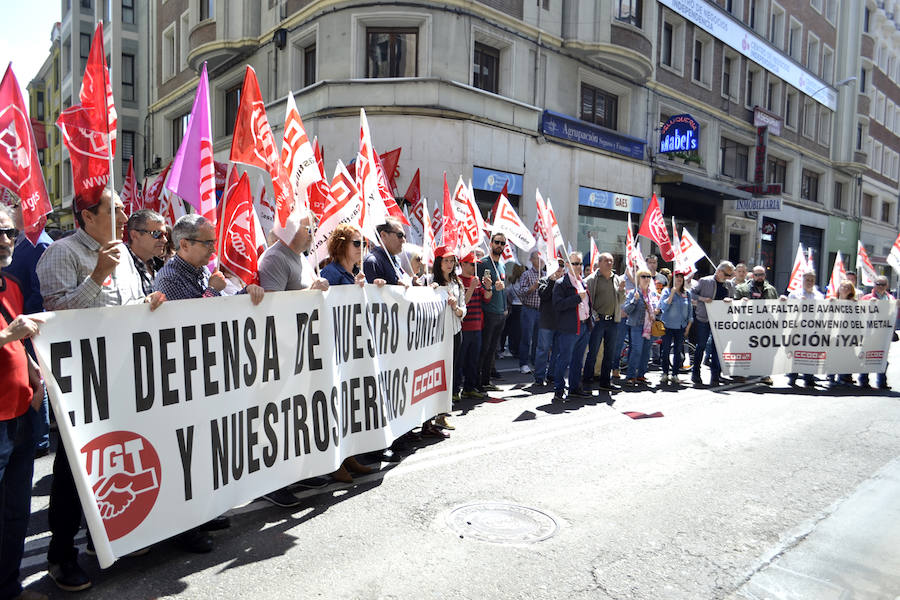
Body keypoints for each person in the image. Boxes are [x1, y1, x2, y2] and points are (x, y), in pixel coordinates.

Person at [37, 187, 165, 591]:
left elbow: (127, 303)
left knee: (115, 460)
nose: (125, 215)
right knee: (75, 468)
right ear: (88, 216)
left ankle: (102, 537)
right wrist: (96, 276)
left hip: (122, 371)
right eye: (115, 209)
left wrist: (150, 302)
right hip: (81, 378)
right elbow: (55, 315)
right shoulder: (62, 252)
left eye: (125, 209)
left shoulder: (123, 252)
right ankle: (61, 556)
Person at [256, 212, 330, 497]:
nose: (312, 232)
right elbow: (272, 305)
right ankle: (272, 483)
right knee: (276, 416)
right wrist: (310, 292)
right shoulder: (276, 258)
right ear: (288, 230)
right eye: (307, 228)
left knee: (295, 415)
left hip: (299, 350)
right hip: (279, 351)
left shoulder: (300, 258)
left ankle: (295, 473)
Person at [0, 204, 48, 600]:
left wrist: (33, 369)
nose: (4, 241)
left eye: (9, 233)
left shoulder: (10, 284)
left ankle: (9, 588)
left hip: (22, 412)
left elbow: (17, 335)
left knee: (17, 512)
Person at [318, 224, 376, 483]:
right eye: (356, 243)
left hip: (350, 348)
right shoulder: (329, 273)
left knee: (348, 405)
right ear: (342, 245)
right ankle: (335, 462)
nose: (361, 248)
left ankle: (349, 454)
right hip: (335, 347)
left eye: (363, 243)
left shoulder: (354, 273)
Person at [5, 204, 53, 458]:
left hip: (26, 326)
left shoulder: (40, 245)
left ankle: (40, 439)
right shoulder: (23, 244)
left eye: (9, 233)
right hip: (15, 325)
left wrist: (24, 323)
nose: (5, 239)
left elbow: (39, 290)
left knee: (36, 377)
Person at [429, 246, 465, 432]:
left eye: (452, 261)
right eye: (446, 260)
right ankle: (428, 418)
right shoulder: (429, 281)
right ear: (438, 262)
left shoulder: (457, 284)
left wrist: (455, 308)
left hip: (455, 333)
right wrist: (429, 291)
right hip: (435, 337)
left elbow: (462, 309)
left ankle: (442, 415)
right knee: (433, 374)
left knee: (448, 374)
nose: (450, 264)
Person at [551, 252, 592, 401]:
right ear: (567, 265)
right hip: (569, 328)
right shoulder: (561, 283)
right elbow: (558, 305)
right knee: (564, 359)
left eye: (580, 263)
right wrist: (576, 298)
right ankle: (559, 389)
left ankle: (574, 387)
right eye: (575, 263)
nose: (578, 267)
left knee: (578, 359)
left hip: (583, 326)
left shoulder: (583, 282)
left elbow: (587, 303)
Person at [582, 252, 626, 392]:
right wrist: (594, 315)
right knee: (593, 351)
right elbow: (587, 300)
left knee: (610, 352)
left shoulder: (617, 279)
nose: (609, 263)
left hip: (613, 320)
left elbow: (621, 300)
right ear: (599, 263)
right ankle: (587, 379)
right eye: (606, 261)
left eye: (611, 261)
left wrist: (621, 290)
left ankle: (605, 381)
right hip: (598, 320)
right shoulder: (591, 279)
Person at [690, 261, 735, 387]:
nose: (728, 278)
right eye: (726, 274)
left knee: (718, 348)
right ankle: (695, 373)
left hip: (720, 320)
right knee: (701, 345)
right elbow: (691, 293)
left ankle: (715, 376)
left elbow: (734, 299)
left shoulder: (729, 285)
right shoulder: (705, 281)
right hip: (704, 318)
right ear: (719, 271)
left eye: (730, 275)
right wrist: (703, 299)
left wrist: (730, 300)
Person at [734, 265, 778, 384]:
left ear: (765, 276)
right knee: (744, 349)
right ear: (753, 275)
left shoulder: (771, 290)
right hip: (747, 325)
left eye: (762, 275)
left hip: (765, 326)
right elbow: (732, 305)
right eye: (757, 275)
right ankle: (741, 374)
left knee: (764, 351)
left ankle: (765, 375)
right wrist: (739, 302)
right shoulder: (742, 288)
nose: (759, 277)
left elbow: (777, 307)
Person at [458, 252, 492, 399]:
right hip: (463, 327)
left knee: (473, 360)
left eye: (475, 264)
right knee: (460, 361)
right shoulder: (458, 281)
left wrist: (489, 288)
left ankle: (469, 388)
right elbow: (463, 302)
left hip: (477, 326)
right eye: (472, 264)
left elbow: (487, 298)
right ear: (463, 264)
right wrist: (471, 287)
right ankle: (455, 390)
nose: (474, 267)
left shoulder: (476, 280)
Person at [477, 233, 507, 391]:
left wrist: (505, 309)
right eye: (497, 242)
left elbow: (503, 289)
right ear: (490, 243)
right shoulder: (483, 263)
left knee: (493, 349)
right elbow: (479, 288)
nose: (499, 245)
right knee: (485, 348)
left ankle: (486, 380)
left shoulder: (502, 265)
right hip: (488, 312)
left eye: (502, 243)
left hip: (500, 313)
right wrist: (494, 287)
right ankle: (476, 382)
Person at [785, 271, 823, 387]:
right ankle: (792, 377)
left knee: (810, 353)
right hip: (797, 329)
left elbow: (822, 312)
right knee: (795, 353)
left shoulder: (819, 296)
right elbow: (788, 311)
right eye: (807, 280)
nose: (809, 282)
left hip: (812, 329)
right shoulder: (794, 294)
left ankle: (809, 377)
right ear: (802, 280)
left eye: (812, 280)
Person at [622, 268, 660, 386]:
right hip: (636, 325)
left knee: (646, 351)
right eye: (643, 276)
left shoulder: (652, 293)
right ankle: (631, 375)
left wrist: (657, 311)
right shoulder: (634, 292)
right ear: (638, 279)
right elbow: (626, 309)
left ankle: (641, 375)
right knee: (637, 350)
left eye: (648, 277)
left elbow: (657, 309)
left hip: (649, 326)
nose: (646, 279)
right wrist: (634, 300)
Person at [859, 275, 894, 389]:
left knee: (883, 358)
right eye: (878, 284)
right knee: (867, 356)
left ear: (887, 286)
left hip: (884, 333)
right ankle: (864, 380)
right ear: (874, 285)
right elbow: (859, 313)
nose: (880, 287)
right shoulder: (867, 298)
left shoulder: (891, 299)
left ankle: (882, 382)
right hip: (869, 333)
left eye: (883, 284)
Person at [533, 259, 564, 387]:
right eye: (557, 266)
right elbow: (544, 295)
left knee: (558, 351)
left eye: (562, 266)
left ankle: (552, 375)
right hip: (547, 321)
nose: (559, 268)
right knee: (543, 349)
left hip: (561, 322)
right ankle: (539, 377)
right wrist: (552, 281)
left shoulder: (566, 282)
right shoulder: (544, 280)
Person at [658, 271, 692, 385]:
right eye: (677, 276)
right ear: (673, 278)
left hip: (680, 326)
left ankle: (675, 374)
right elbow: (663, 307)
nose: (679, 279)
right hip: (667, 326)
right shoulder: (666, 291)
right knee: (666, 350)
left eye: (681, 277)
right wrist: (672, 294)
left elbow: (690, 311)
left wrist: (688, 326)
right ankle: (665, 373)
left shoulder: (687, 293)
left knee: (678, 351)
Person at [125, 209, 167, 296]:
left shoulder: (161, 266)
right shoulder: (120, 265)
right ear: (134, 235)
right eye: (157, 234)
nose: (164, 240)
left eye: (165, 235)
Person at [516, 251, 542, 373]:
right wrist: (532, 288)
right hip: (529, 309)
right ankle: (523, 364)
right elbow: (520, 291)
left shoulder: (546, 275)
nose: (540, 261)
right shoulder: (527, 274)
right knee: (526, 337)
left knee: (538, 339)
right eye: (537, 258)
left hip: (541, 311)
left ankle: (535, 362)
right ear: (531, 260)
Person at [827, 281, 857, 389]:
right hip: (834, 335)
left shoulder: (854, 304)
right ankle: (831, 378)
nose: (845, 289)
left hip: (847, 336)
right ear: (839, 289)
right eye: (843, 286)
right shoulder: (832, 301)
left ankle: (843, 378)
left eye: (848, 287)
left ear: (851, 291)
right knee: (833, 356)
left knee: (846, 356)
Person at [363, 217, 406, 286]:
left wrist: (412, 283)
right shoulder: (372, 262)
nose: (404, 240)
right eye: (400, 235)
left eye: (405, 236)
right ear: (383, 235)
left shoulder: (396, 260)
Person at [499, 263, 525, 359]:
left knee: (512, 329)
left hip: (514, 306)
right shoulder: (523, 281)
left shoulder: (513, 282)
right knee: (519, 330)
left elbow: (507, 292)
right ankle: (517, 349)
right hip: (522, 306)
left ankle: (512, 348)